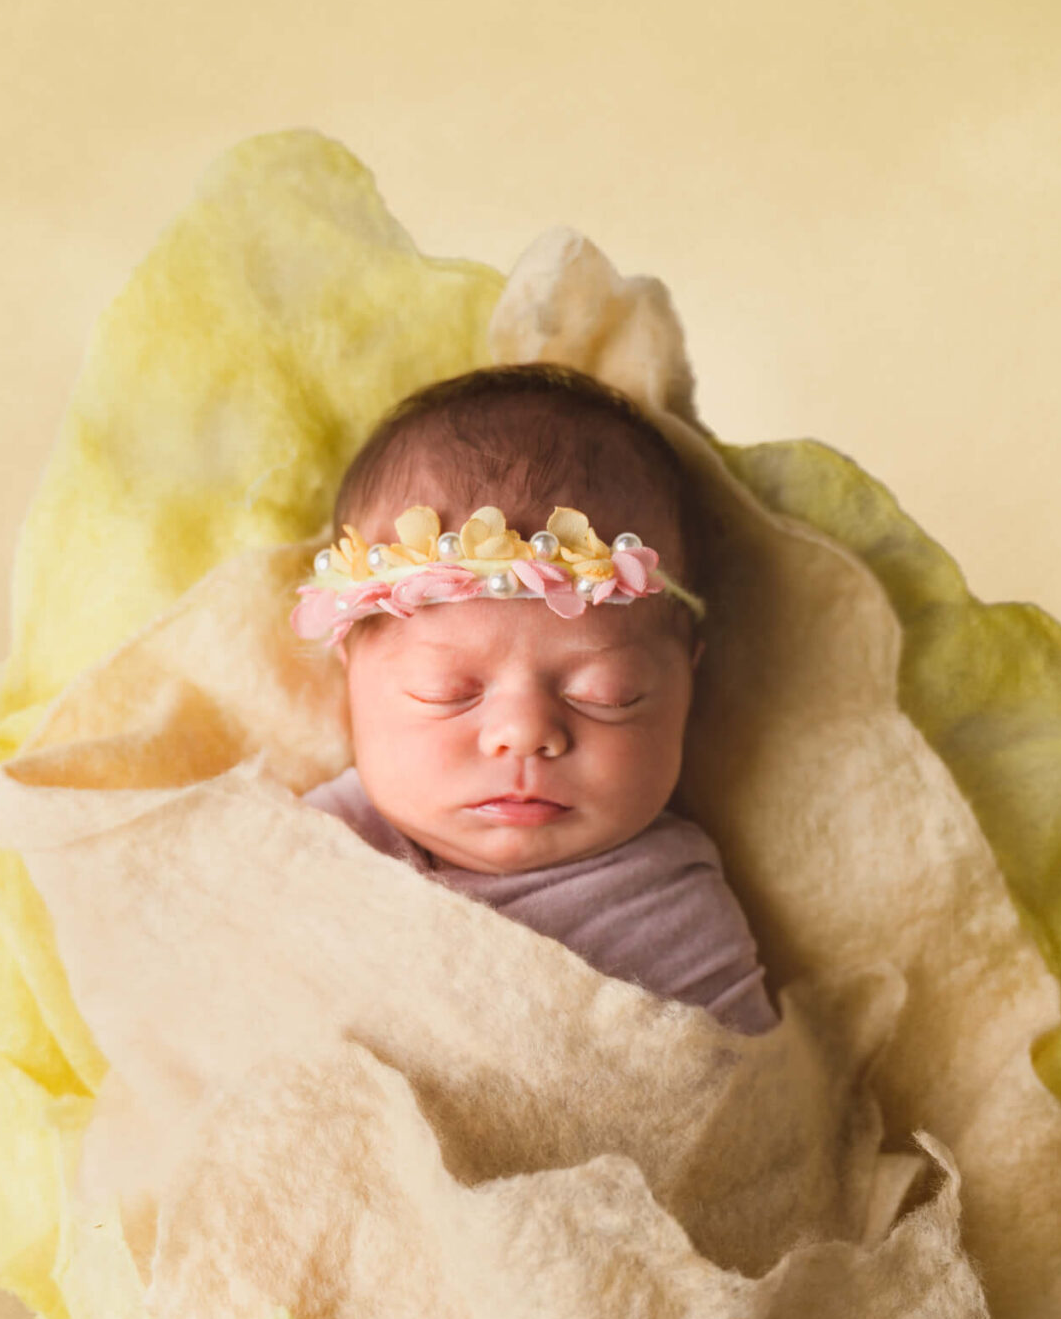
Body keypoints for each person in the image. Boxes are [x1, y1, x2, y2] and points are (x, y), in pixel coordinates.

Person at [294, 363, 777, 1033]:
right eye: (446, 693)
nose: (523, 735)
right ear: (350, 674)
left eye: (605, 695)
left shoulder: (667, 905)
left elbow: (748, 1112)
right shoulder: (303, 850)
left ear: (687, 685)